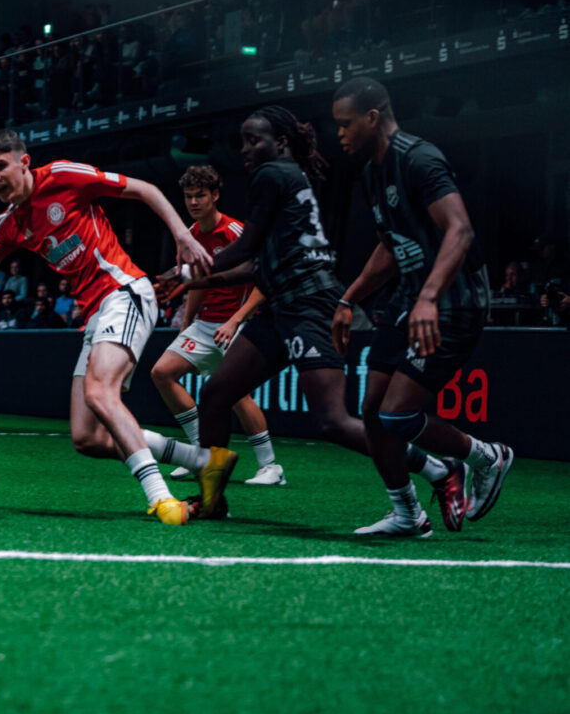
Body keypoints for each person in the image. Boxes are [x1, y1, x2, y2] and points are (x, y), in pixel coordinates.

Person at [151, 105, 457, 528]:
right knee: (217, 394)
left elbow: (245, 248)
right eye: (242, 141)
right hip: (280, 308)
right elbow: (258, 265)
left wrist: (183, 271)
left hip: (309, 306)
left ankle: (437, 469)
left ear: (279, 142)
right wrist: (191, 282)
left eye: (254, 140)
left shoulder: (271, 175)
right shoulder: (289, 178)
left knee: (333, 422)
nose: (245, 149)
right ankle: (212, 500)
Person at [0, 128, 213, 524]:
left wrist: (182, 236)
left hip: (124, 292)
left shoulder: (63, 176)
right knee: (87, 437)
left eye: (0, 166)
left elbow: (144, 189)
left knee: (100, 392)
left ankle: (161, 498)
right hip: (96, 314)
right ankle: (203, 461)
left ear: (23, 163)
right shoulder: (7, 225)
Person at [330, 77, 510, 535]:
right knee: (372, 412)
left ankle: (486, 457)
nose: (340, 134)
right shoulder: (371, 173)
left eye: (346, 124)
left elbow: (460, 230)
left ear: (373, 117)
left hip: (453, 302)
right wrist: (349, 298)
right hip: (408, 298)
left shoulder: (419, 158)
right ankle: (408, 515)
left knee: (397, 415)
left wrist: (429, 297)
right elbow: (390, 247)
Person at [149, 165, 284, 486]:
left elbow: (264, 281)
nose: (193, 202)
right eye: (188, 196)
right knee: (162, 373)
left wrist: (236, 320)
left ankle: (271, 467)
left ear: (215, 196)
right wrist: (187, 322)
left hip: (239, 323)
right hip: (205, 324)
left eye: (200, 195)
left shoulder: (237, 232)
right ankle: (201, 454)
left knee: (235, 393)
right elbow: (199, 283)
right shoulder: (191, 235)